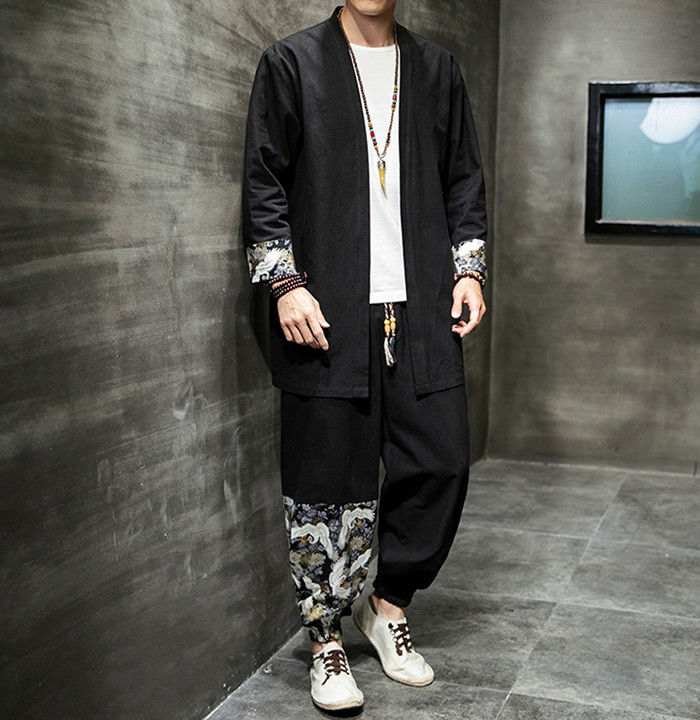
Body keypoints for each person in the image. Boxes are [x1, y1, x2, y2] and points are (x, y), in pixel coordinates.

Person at [242, 0, 488, 711]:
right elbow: (264, 181)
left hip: (421, 309)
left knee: (441, 460)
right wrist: (285, 283)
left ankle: (386, 605)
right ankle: (325, 639)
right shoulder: (292, 64)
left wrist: (468, 269)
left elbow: (464, 180)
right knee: (326, 478)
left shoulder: (437, 70)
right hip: (328, 307)